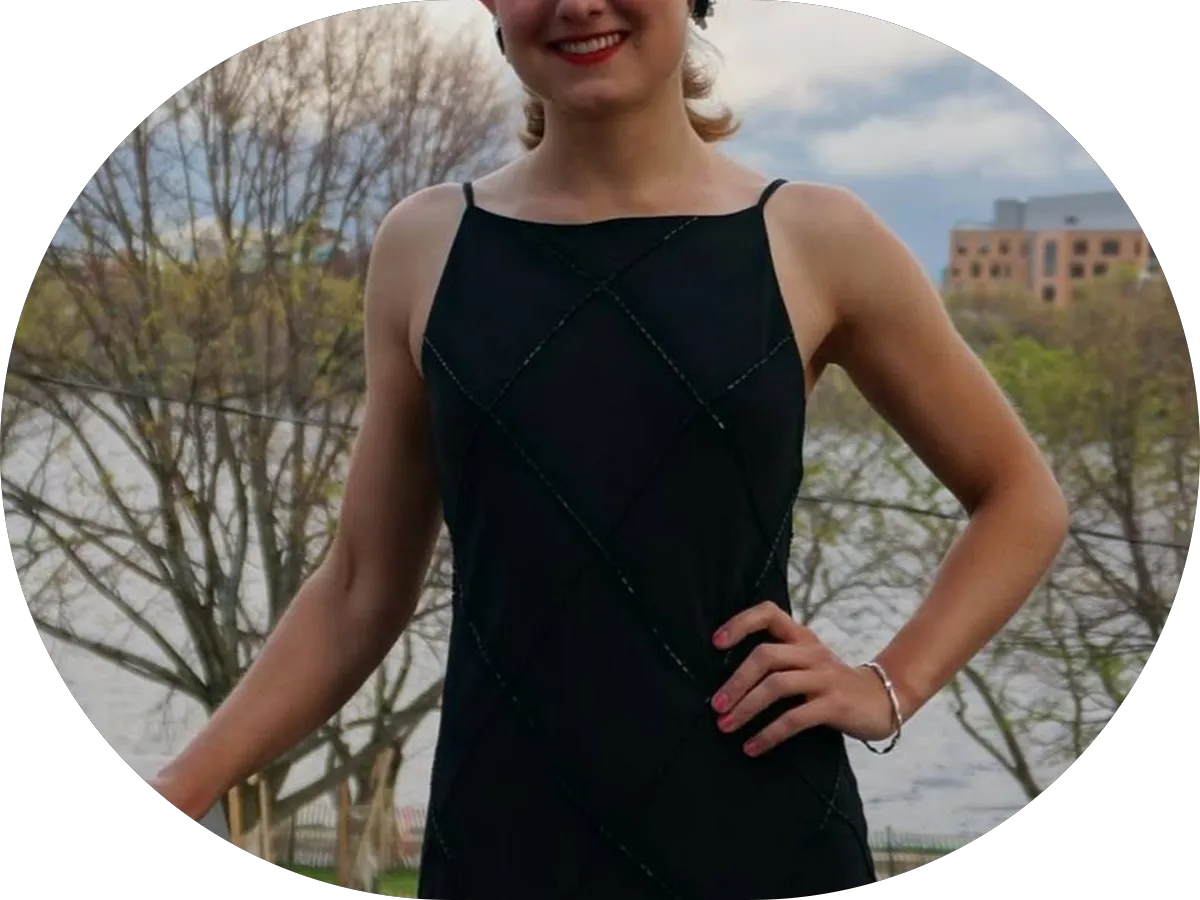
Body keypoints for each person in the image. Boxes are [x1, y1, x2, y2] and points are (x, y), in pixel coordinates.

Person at [151, 1, 1070, 897]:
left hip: (758, 827)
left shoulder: (817, 239)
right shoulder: (424, 245)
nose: (577, 5)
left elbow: (1020, 497)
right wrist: (184, 787)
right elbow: (359, 587)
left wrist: (888, 685)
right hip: (502, 833)